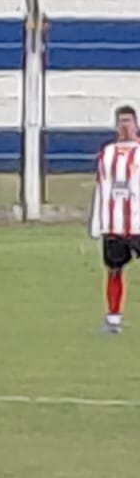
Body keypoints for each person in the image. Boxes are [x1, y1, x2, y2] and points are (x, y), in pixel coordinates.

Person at [91, 105, 140, 334]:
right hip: (114, 224)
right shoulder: (107, 153)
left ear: (136, 124)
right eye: (121, 121)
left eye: (128, 120)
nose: (125, 125)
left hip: (138, 222)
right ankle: (113, 320)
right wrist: (96, 222)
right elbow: (100, 187)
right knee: (114, 270)